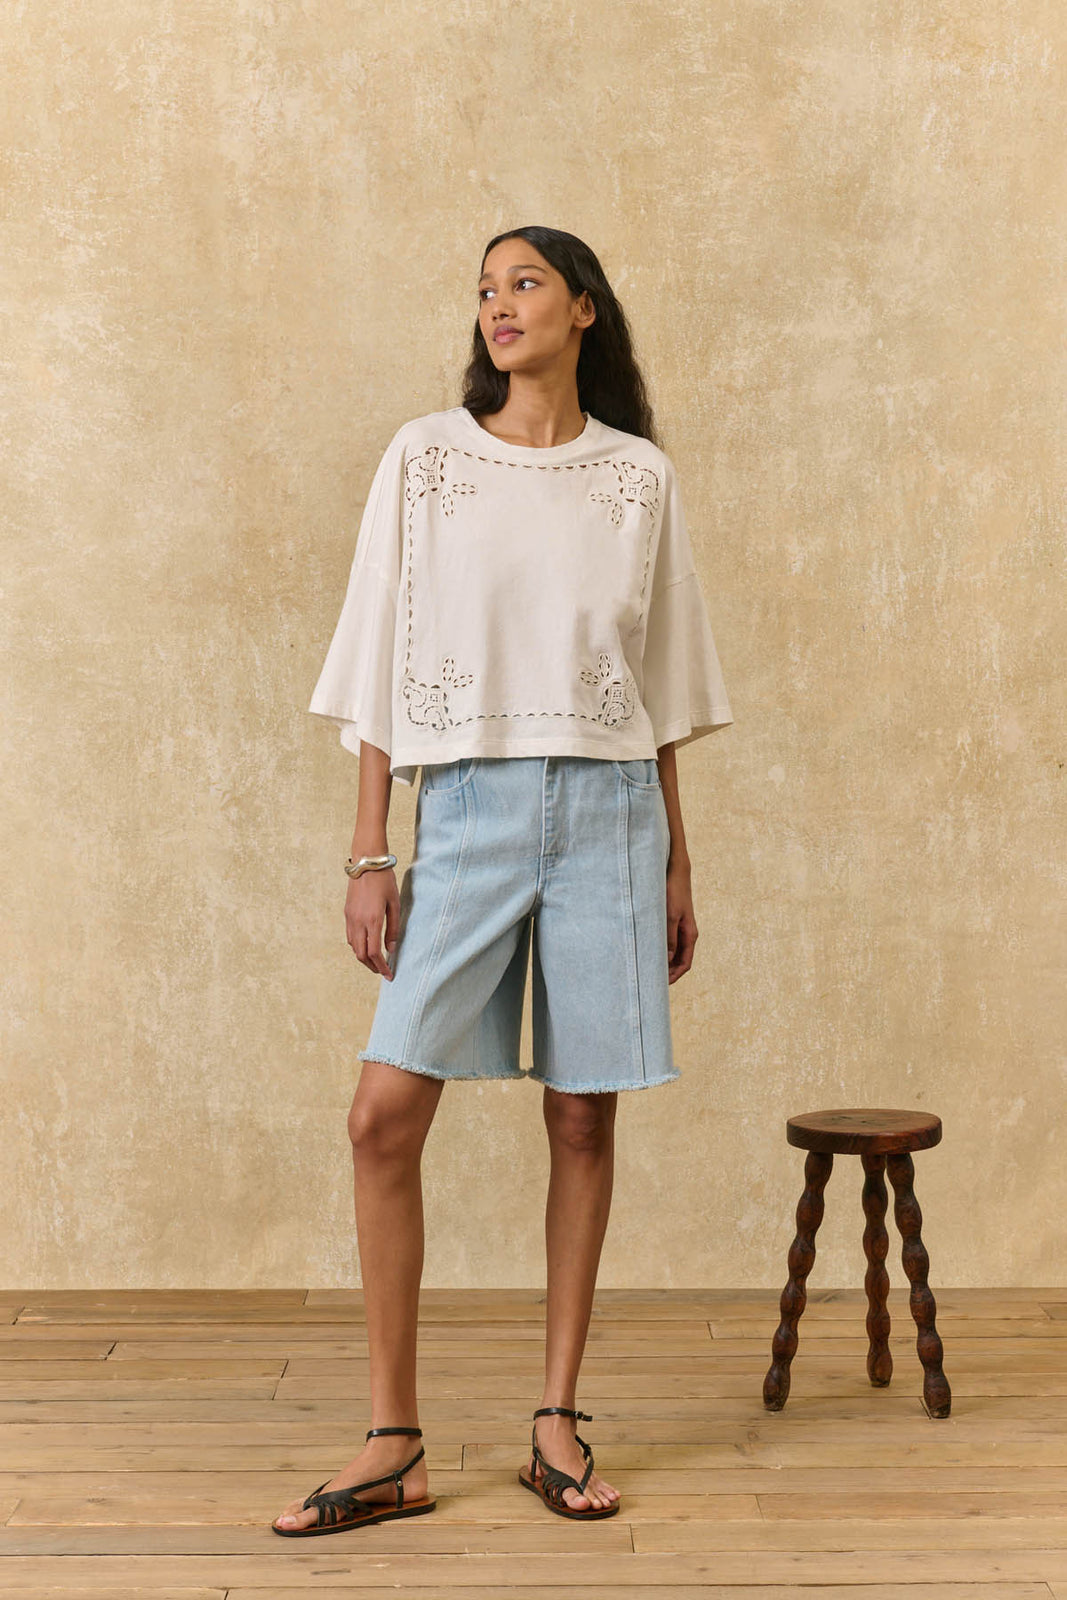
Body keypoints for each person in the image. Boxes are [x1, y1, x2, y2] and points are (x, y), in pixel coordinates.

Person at [272, 226, 733, 1538]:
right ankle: (394, 1443)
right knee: (382, 1116)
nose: (498, 304)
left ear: (584, 308)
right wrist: (372, 849)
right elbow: (377, 655)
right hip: (465, 810)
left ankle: (555, 1420)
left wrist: (677, 857)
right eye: (484, 288)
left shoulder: (636, 478)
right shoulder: (426, 459)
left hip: (610, 815)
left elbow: (658, 690)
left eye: (524, 282)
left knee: (583, 1119)